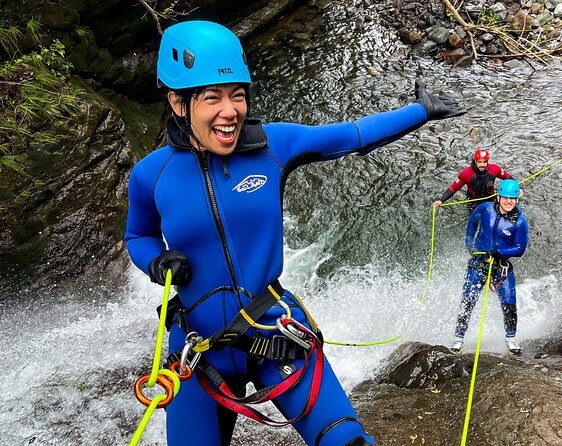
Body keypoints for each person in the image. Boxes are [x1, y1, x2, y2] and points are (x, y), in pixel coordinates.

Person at [124, 20, 466, 446]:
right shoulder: (150, 175)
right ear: (178, 102)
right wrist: (155, 260)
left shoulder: (272, 146)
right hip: (198, 348)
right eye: (212, 97)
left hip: (273, 332)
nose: (230, 111)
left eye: (237, 95)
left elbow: (352, 135)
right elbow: (138, 236)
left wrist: (422, 111)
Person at [447, 178, 529, 356]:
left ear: (517, 200)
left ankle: (511, 339)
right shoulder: (485, 209)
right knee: (468, 300)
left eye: (512, 199)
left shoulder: (520, 222)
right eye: (505, 197)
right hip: (478, 263)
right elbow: (472, 223)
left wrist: (498, 251)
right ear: (498, 197)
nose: (509, 202)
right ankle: (458, 338)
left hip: (501, 266)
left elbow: (520, 249)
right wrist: (469, 244)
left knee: (509, 302)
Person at [432, 148, 515, 213]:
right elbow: (453, 188)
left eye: (484, 162)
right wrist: (441, 200)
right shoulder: (466, 174)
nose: (482, 165)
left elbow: (508, 177)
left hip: (491, 200)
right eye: (479, 162)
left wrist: (518, 188)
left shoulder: (495, 169)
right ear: (475, 161)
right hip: (474, 203)